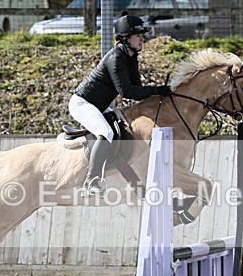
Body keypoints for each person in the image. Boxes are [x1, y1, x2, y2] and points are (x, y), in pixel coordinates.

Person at [69, 12, 171, 196]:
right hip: (82, 103)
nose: (142, 39)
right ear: (126, 38)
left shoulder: (131, 57)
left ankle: (134, 184)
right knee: (106, 133)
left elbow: (138, 90)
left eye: (142, 36)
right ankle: (91, 181)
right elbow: (127, 92)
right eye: (138, 36)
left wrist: (158, 95)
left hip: (99, 105)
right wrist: (157, 89)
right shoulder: (116, 58)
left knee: (122, 129)